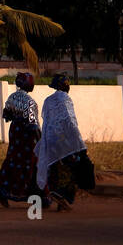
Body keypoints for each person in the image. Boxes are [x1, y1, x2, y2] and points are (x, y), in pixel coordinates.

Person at [37, 73, 88, 211]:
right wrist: (78, 140)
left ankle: (59, 201)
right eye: (67, 83)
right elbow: (70, 120)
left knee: (54, 168)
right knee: (74, 168)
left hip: (51, 140)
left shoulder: (48, 100)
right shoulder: (66, 99)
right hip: (64, 141)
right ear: (63, 85)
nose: (68, 86)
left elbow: (46, 121)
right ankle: (60, 196)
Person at [0, 72, 41, 208]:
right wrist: (40, 138)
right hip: (28, 134)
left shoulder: (11, 97)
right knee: (31, 162)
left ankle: (3, 190)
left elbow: (6, 115)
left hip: (15, 132)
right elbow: (33, 124)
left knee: (12, 160)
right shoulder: (30, 102)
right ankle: (35, 196)